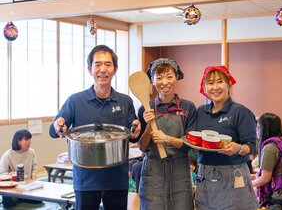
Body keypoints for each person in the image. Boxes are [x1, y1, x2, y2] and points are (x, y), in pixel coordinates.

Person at [49, 45, 141, 210]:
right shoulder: (75, 101)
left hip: (117, 178)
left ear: (115, 69)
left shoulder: (125, 101)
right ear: (89, 69)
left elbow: (133, 134)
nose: (103, 69)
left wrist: (136, 128)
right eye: (98, 64)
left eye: (108, 64)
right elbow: (54, 130)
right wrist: (58, 125)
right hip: (85, 179)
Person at [195, 65, 258, 210]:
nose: (215, 87)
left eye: (220, 81)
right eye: (210, 83)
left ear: (229, 84)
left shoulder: (240, 111)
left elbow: (251, 146)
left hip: (232, 174)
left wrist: (239, 148)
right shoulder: (200, 112)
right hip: (204, 173)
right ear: (204, 88)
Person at [138, 58, 196, 210]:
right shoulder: (146, 107)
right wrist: (149, 127)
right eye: (159, 77)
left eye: (169, 76)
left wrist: (167, 139)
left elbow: (189, 145)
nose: (164, 82)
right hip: (153, 171)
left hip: (179, 170)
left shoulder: (187, 107)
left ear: (176, 77)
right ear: (152, 80)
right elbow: (142, 147)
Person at [0, 129, 39, 208]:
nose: (29, 142)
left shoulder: (31, 152)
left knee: (39, 200)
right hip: (13, 187)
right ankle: (20, 197)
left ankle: (21, 197)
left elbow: (35, 167)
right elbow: (3, 173)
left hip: (27, 186)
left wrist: (33, 179)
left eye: (30, 139)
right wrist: (13, 178)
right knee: (8, 203)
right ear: (18, 142)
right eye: (26, 139)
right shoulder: (7, 155)